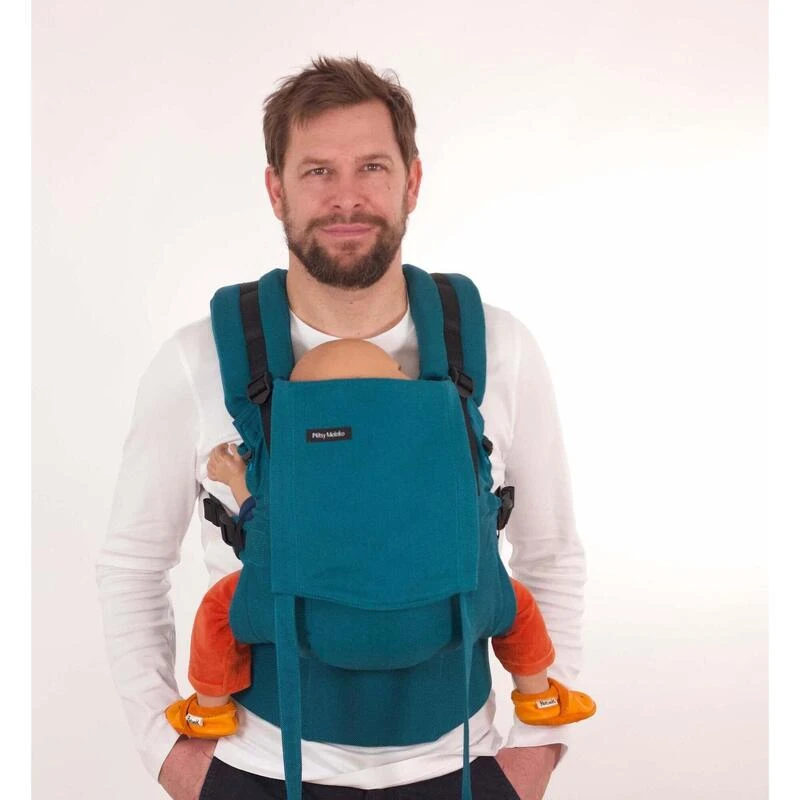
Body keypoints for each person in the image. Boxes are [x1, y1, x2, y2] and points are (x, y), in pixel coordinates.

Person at [97, 55, 589, 800]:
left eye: (372, 168)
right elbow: (132, 564)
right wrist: (168, 754)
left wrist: (535, 753)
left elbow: (551, 552)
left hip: (464, 770)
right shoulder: (198, 361)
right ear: (276, 190)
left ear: (412, 182)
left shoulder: (498, 348)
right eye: (318, 171)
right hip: (255, 770)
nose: (347, 197)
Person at [163, 339, 595, 739]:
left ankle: (209, 710)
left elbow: (260, 521)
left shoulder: (299, 470)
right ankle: (538, 696)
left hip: (303, 616)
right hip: (441, 612)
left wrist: (235, 478)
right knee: (517, 605)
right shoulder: (435, 454)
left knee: (218, 612)